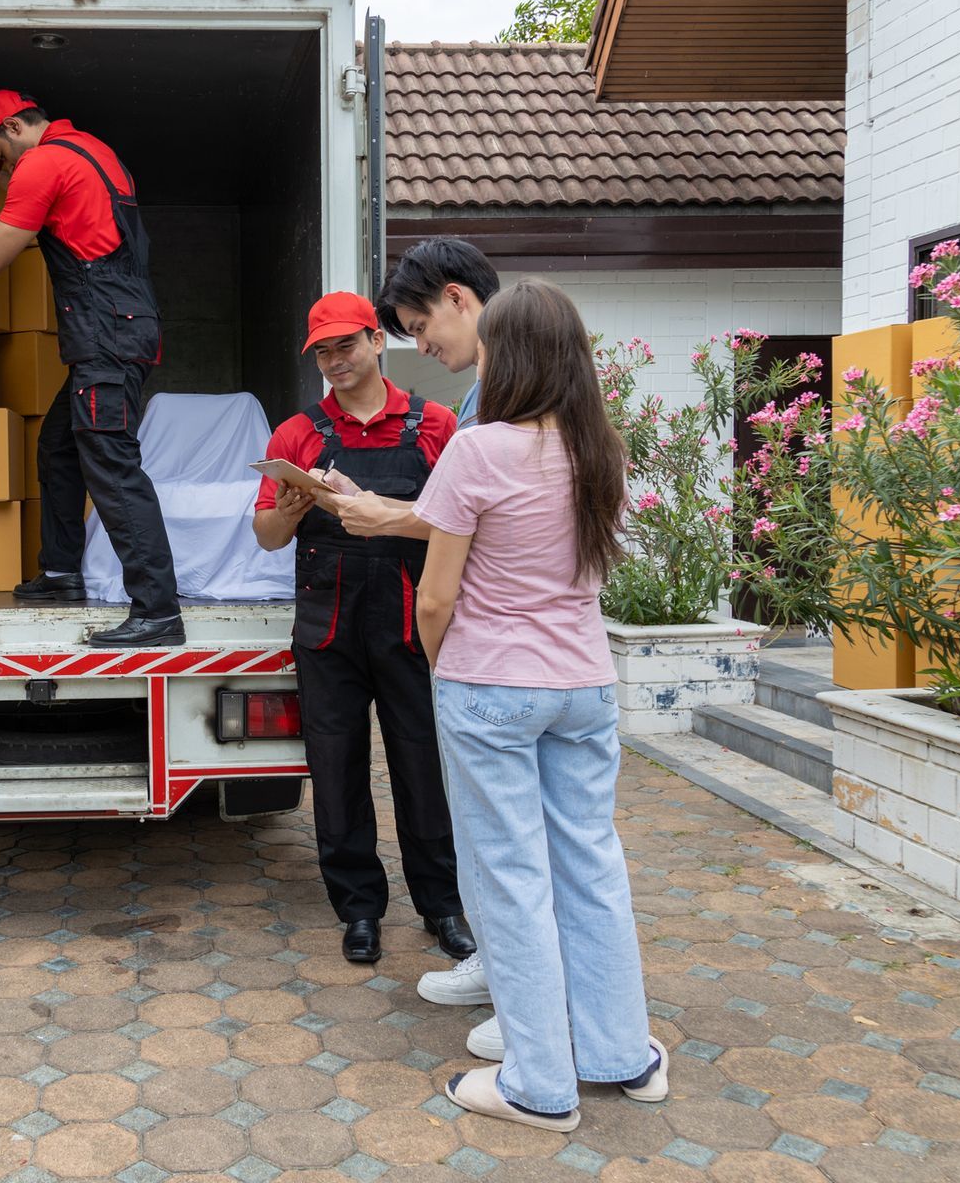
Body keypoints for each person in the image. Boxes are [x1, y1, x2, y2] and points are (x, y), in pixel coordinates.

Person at [412, 278, 666, 1131]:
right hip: (585, 687)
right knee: (592, 865)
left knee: (511, 878)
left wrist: (451, 677)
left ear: (508, 358)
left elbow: (435, 601)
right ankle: (622, 1055)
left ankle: (539, 1086)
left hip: (493, 685)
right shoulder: (604, 451)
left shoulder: (478, 450)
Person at [0, 90, 182, 648]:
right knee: (60, 445)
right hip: (120, 328)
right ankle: (60, 574)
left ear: (12, 127)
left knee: (112, 466)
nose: (5, 167)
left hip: (105, 335)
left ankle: (157, 611)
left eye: (0, 155)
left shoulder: (42, 163)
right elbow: (56, 208)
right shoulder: (92, 153)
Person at [252, 292, 474, 965]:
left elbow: (462, 520)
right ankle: (358, 910)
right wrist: (290, 507)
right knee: (337, 771)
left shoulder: (436, 425)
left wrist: (385, 508)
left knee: (423, 768)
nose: (335, 361)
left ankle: (443, 906)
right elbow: (265, 538)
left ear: (378, 343)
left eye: (345, 345)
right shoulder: (296, 434)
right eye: (322, 351)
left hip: (411, 624)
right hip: (328, 631)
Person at [331, 239, 501, 542]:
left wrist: (385, 520)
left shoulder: (518, 390)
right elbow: (452, 513)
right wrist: (365, 501)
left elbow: (484, 523)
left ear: (454, 298)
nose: (421, 349)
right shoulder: (482, 390)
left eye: (420, 328)